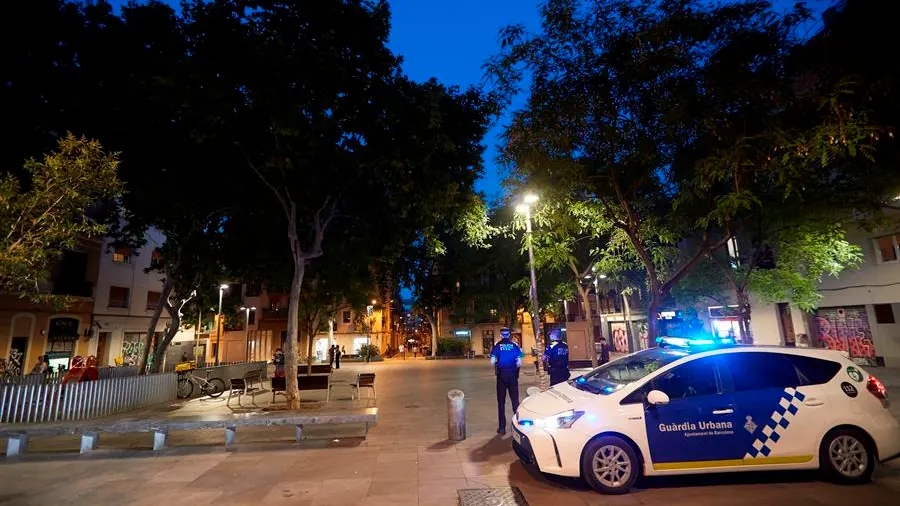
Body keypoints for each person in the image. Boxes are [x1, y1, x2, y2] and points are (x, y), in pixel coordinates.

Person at [491, 327, 523, 435]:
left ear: (501, 335)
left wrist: (498, 361)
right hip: (513, 376)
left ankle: (502, 428)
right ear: (509, 335)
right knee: (515, 401)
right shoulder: (515, 346)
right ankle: (518, 426)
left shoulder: (497, 346)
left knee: (501, 402)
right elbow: (519, 362)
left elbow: (492, 361)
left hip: (501, 376)